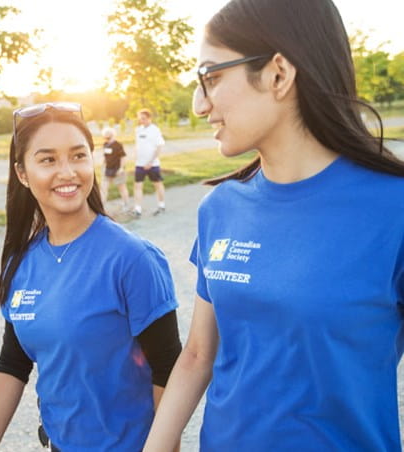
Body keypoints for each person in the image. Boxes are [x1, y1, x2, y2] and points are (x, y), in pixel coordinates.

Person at [143, 0, 404, 450]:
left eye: (212, 77)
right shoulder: (219, 208)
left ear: (278, 74)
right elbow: (198, 355)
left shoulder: (393, 208)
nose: (199, 104)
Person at [0, 102, 181, 452]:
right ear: (22, 173)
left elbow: (168, 371)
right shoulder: (20, 262)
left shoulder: (133, 259)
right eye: (48, 160)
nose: (67, 171)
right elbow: (14, 361)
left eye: (78, 156)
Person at [133, 109, 166, 218]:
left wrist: (151, 162)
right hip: (139, 164)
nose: (141, 120)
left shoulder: (155, 130)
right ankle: (138, 209)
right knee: (138, 186)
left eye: (144, 118)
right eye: (140, 118)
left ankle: (161, 205)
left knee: (157, 185)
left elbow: (159, 147)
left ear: (149, 118)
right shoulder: (138, 130)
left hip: (153, 164)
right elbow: (138, 146)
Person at [100, 126, 130, 211]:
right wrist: (103, 165)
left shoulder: (118, 145)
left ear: (112, 134)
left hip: (117, 170)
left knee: (122, 188)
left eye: (108, 134)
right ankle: (102, 206)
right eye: (105, 135)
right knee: (104, 188)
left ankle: (126, 204)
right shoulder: (105, 144)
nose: (106, 136)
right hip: (107, 169)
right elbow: (105, 156)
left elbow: (123, 157)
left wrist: (121, 168)